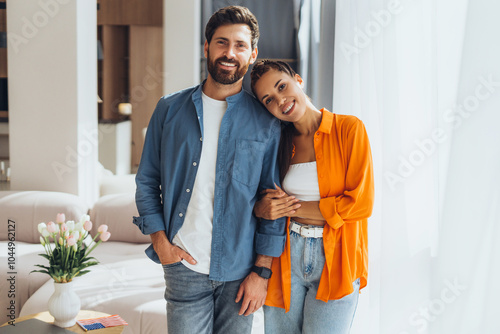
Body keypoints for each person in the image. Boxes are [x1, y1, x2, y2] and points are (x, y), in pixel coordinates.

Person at [133, 7, 286, 334]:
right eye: (221, 43)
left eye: (240, 45)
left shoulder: (267, 123)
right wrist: (161, 242)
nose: (230, 53)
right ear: (206, 47)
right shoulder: (169, 109)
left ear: (252, 53)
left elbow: (273, 202)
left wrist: (262, 272)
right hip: (183, 267)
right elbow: (147, 181)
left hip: (241, 272)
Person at [250, 60, 374, 334]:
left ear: (298, 79)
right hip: (285, 255)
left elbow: (360, 205)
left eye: (282, 86)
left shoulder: (349, 129)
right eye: (269, 99)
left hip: (338, 259)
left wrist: (289, 208)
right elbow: (263, 201)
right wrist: (262, 208)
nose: (281, 100)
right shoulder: (277, 143)